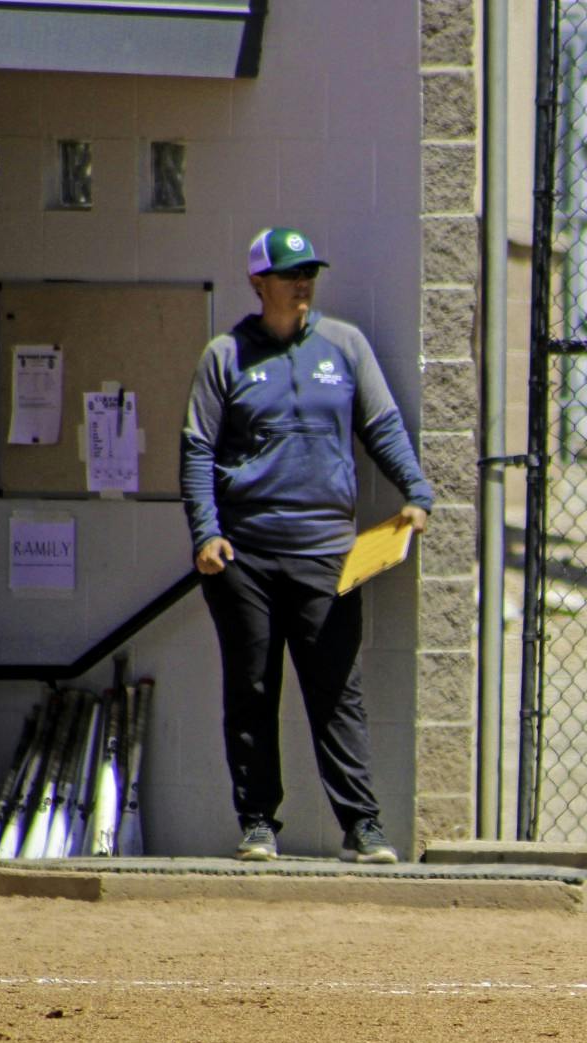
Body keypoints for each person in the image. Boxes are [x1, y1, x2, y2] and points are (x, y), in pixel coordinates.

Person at [179, 227, 434, 863]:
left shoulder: (344, 345)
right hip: (246, 556)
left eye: (309, 274)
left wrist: (416, 492)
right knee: (253, 689)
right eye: (290, 274)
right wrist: (206, 534)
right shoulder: (225, 355)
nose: (303, 283)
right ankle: (259, 822)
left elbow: (382, 425)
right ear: (258, 283)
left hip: (326, 550)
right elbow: (198, 449)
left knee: (336, 690)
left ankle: (362, 825)